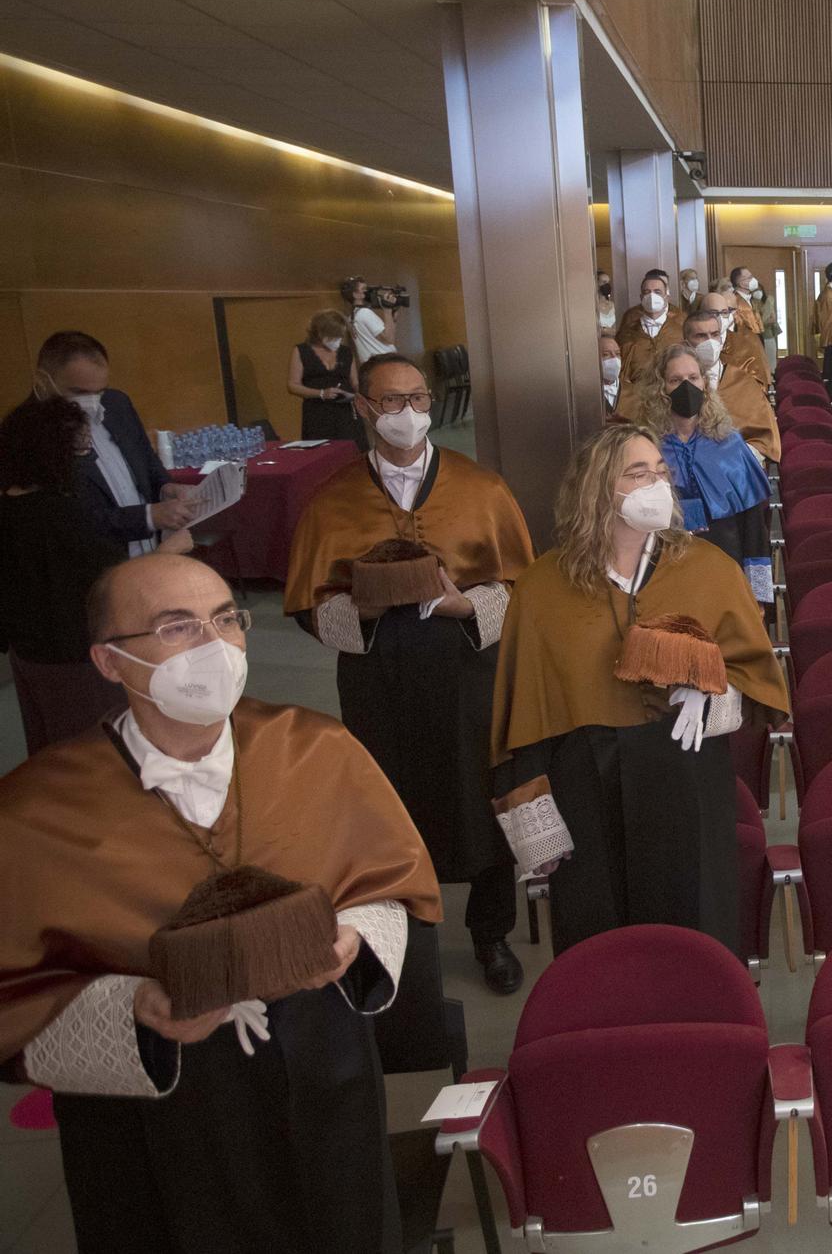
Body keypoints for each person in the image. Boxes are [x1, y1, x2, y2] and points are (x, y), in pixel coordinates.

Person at [0, 552, 440, 1254]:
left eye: (226, 619)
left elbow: (389, 885)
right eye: (176, 627)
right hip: (159, 1105)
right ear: (110, 662)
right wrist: (134, 1011)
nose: (215, 645)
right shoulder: (35, 808)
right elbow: (18, 994)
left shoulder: (314, 747)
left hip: (318, 1059)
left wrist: (353, 937)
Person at [284, 354, 533, 992]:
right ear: (363, 409)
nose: (408, 414)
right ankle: (401, 937)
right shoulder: (332, 500)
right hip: (379, 674)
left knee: (480, 792)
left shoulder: (481, 488)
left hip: (464, 666)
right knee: (385, 799)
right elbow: (310, 603)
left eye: (418, 399)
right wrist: (360, 609)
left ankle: (490, 934)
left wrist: (463, 605)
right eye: (391, 402)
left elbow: (518, 585)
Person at [488, 425, 786, 953]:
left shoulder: (709, 568)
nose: (656, 484)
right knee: (600, 936)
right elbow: (521, 714)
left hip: (685, 774)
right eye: (637, 473)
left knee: (693, 930)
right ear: (599, 489)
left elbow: (757, 679)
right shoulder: (542, 586)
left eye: (661, 473)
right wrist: (537, 824)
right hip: (584, 781)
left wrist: (712, 691)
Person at [0, 396, 186, 752]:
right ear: (52, 453)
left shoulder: (9, 503)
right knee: (93, 750)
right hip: (74, 659)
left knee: (48, 746)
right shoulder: (60, 513)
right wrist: (170, 551)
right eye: (80, 449)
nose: (86, 459)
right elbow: (110, 582)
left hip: (28, 654)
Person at [632, 344, 774, 605]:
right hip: (665, 573)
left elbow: (754, 528)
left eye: (693, 378)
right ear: (660, 387)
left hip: (726, 565)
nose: (687, 387)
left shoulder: (730, 445)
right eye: (676, 380)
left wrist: (758, 597)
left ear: (705, 384)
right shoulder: (645, 448)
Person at [36, 332, 193, 557]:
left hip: (151, 551)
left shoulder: (116, 403)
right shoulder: (29, 435)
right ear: (44, 382)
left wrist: (165, 487)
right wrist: (148, 516)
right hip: (97, 567)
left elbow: (147, 460)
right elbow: (66, 522)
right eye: (79, 392)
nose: (92, 402)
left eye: (99, 391)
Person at [688, 297, 782, 463]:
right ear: (687, 342)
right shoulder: (676, 384)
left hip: (736, 466)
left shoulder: (743, 381)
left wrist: (735, 459)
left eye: (714, 335)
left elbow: (764, 438)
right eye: (701, 336)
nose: (709, 342)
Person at [288, 309, 359, 444]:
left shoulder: (346, 352)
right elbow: (292, 385)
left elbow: (355, 382)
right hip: (316, 413)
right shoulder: (301, 351)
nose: (337, 340)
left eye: (340, 336)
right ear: (320, 333)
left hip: (345, 412)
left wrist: (356, 395)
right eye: (333, 336)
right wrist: (321, 393)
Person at [615, 268, 680, 386]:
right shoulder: (627, 333)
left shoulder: (679, 331)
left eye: (657, 292)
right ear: (641, 297)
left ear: (667, 296)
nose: (651, 296)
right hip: (637, 395)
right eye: (647, 292)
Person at [720, 268, 772, 389]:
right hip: (746, 349)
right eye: (749, 277)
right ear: (741, 282)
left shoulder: (751, 299)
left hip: (757, 344)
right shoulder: (735, 301)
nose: (753, 279)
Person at [342, 276, 398, 361]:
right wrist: (387, 310)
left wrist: (392, 317)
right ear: (355, 295)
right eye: (364, 289)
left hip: (373, 364)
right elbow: (388, 339)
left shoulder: (353, 316)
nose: (367, 291)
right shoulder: (365, 313)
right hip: (384, 363)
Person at [597, 333, 625, 421]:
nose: (614, 358)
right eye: (606, 354)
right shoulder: (586, 395)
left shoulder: (635, 393)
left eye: (617, 354)